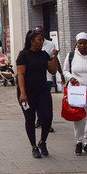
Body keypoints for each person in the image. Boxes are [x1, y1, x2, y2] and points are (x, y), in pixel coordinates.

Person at [16, 29, 60, 159]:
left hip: (42, 90)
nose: (42, 42)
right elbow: (21, 75)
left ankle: (42, 142)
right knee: (30, 119)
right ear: (32, 41)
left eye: (42, 40)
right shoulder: (23, 55)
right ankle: (33, 146)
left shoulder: (43, 54)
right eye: (40, 40)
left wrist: (54, 57)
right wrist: (23, 93)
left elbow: (52, 71)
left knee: (47, 116)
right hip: (27, 91)